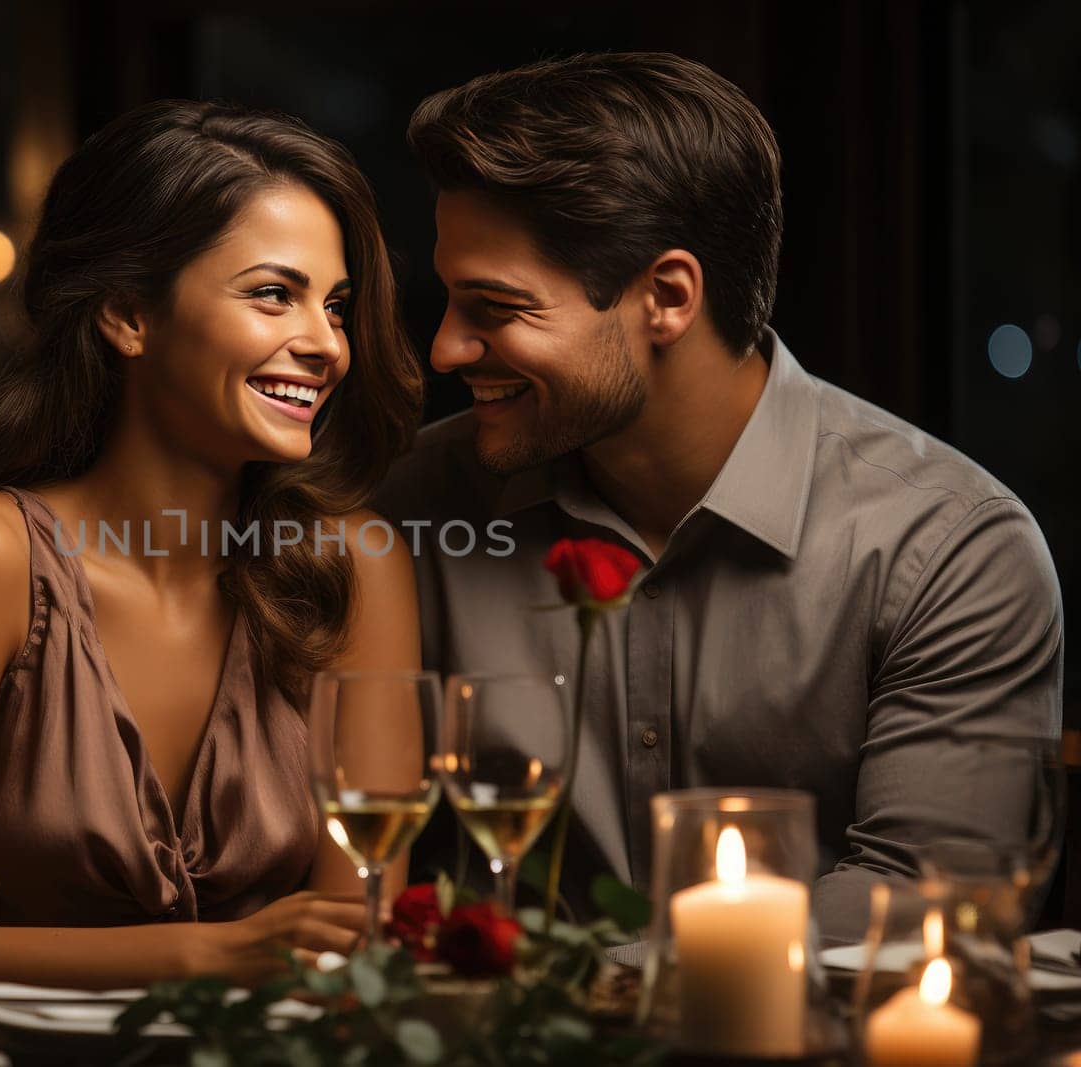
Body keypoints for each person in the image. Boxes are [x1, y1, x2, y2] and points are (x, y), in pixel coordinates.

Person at [374, 52, 1064, 942]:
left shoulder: (950, 548)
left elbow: (925, 899)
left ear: (666, 297)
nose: (445, 350)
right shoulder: (412, 508)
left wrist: (607, 991)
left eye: (494, 308)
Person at [0, 99, 426, 996]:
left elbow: (357, 947)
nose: (326, 343)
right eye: (272, 294)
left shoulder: (352, 565)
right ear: (128, 314)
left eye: (334, 305)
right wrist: (207, 951)